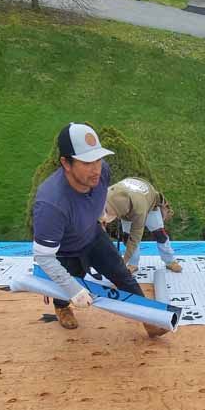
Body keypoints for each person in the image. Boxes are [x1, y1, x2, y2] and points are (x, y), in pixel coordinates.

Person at [32, 123, 167, 337]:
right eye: (87, 162)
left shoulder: (102, 171)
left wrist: (99, 214)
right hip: (65, 250)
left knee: (123, 275)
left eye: (98, 158)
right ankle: (61, 306)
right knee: (70, 280)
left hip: (92, 234)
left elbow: (99, 194)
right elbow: (43, 257)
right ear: (65, 163)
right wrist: (73, 290)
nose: (96, 168)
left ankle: (148, 319)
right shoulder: (51, 203)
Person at [101, 177, 183, 274]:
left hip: (149, 206)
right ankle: (133, 264)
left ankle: (170, 261)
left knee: (160, 234)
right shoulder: (105, 194)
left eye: (109, 213)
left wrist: (122, 263)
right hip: (127, 206)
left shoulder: (139, 209)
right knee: (127, 238)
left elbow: (135, 238)